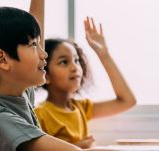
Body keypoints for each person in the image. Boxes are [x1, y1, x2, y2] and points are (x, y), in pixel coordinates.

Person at [0, 0, 89, 150]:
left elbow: (36, 23)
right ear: (3, 59)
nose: (44, 54)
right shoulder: (0, 121)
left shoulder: (16, 98)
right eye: (34, 45)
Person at [34, 17, 136, 149]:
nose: (75, 67)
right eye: (64, 62)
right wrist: (78, 147)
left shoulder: (81, 107)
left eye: (76, 60)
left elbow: (127, 101)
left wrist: (103, 54)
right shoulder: (41, 114)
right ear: (46, 75)